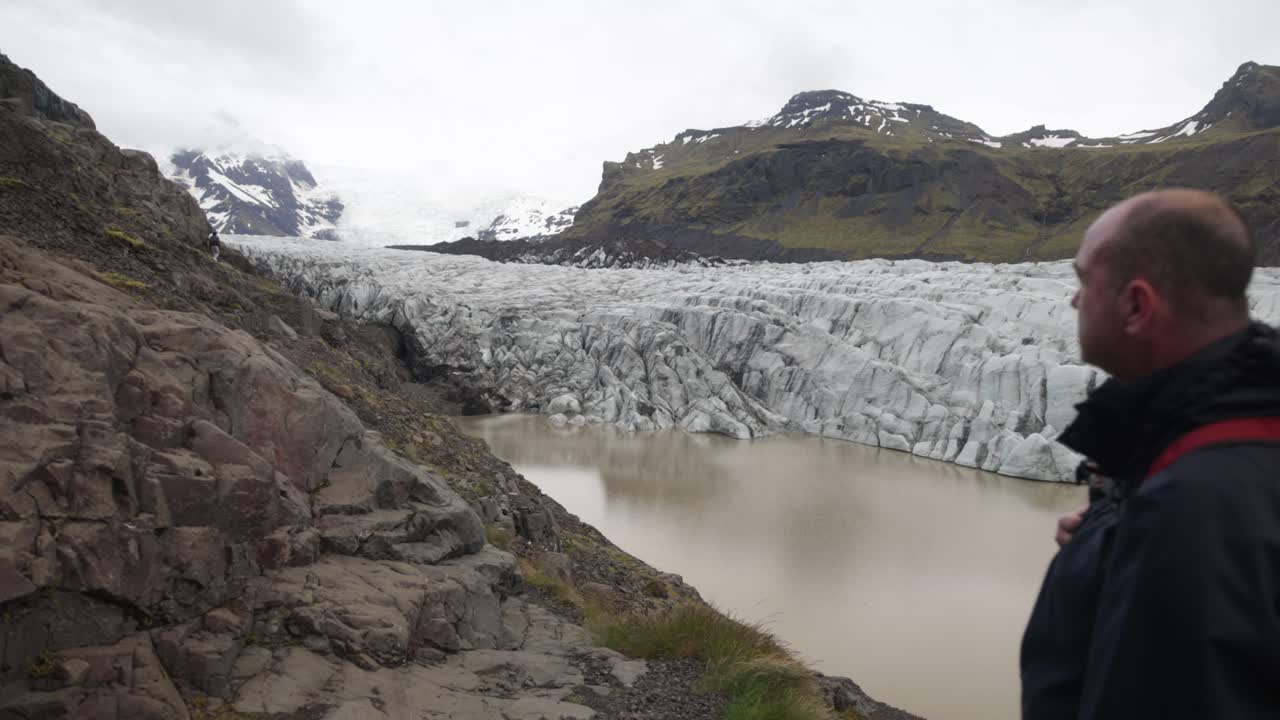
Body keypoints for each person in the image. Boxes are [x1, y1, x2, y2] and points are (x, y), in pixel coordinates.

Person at [1021, 189, 1280, 718]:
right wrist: (1107, 537)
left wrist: (1158, 527)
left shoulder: (1197, 507)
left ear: (1137, 304)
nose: (1074, 301)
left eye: (1082, 282)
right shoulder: (1231, 435)